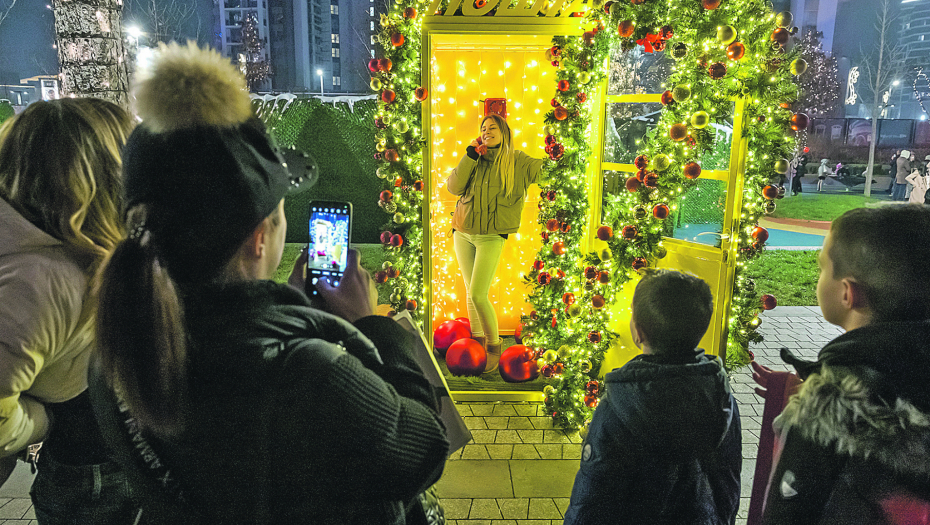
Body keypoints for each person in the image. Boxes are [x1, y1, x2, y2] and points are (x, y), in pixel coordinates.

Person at [89, 43, 448, 524]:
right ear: (260, 238)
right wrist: (374, 324)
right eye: (281, 211)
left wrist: (298, 316)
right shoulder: (304, 372)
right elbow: (422, 448)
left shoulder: (118, 345)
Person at [0, 98, 137, 523]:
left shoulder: (54, 248)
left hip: (100, 460)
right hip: (91, 480)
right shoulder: (40, 283)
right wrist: (40, 422)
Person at [756, 206, 930, 524]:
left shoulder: (831, 404)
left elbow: (790, 511)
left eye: (822, 267)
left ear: (848, 293)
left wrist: (822, 388)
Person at [563, 269, 742, 525]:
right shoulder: (720, 397)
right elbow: (727, 481)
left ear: (638, 332)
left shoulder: (619, 406)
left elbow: (591, 500)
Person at [446, 113, 545, 372]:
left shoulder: (518, 161)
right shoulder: (474, 158)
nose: (486, 130)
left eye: (492, 127)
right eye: (483, 128)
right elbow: (454, 187)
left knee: (478, 293)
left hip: (491, 236)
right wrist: (470, 155)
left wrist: (558, 151)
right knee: (470, 291)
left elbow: (546, 172)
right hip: (462, 230)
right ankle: (477, 340)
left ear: (504, 133)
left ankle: (493, 346)